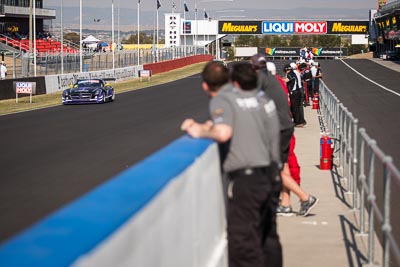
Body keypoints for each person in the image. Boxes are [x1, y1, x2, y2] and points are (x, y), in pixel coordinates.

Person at [181, 61, 283, 267]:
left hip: (248, 180)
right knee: (268, 236)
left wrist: (196, 130)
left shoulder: (223, 99)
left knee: (242, 242)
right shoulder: (260, 98)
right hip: (271, 173)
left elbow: (223, 132)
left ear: (205, 85)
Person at [264, 61, 319, 217]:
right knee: (285, 166)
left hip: (279, 131)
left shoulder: (269, 87)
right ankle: (286, 203)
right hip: (286, 128)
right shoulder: (279, 83)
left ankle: (305, 197)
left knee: (278, 168)